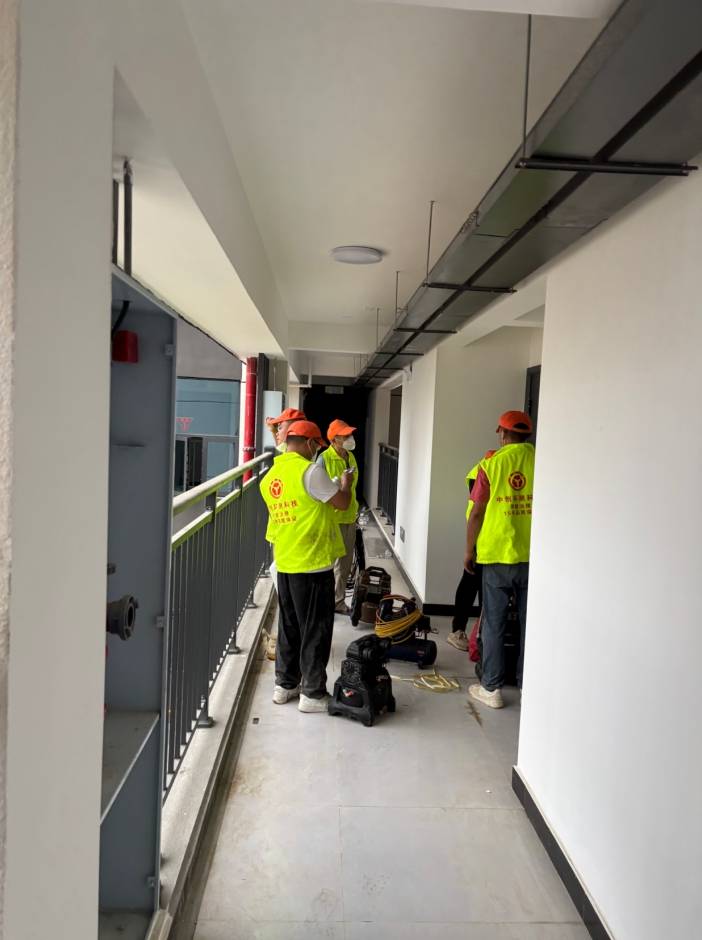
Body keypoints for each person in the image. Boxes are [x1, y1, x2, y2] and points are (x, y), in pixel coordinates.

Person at [260, 419, 354, 713]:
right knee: (315, 629)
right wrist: (345, 485)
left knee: (289, 626)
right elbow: (341, 503)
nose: (317, 451)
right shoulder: (311, 472)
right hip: (313, 564)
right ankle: (312, 693)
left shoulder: (271, 476)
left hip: (285, 561)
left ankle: (285, 685)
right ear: (311, 443)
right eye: (317, 445)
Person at [465, 411, 535, 709]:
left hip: (496, 556)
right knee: (531, 624)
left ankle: (491, 688)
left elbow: (477, 512)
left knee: (494, 623)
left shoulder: (490, 465)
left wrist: (469, 550)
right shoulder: (542, 461)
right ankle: (528, 685)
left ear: (503, 434)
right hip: (532, 556)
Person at [446, 449, 495, 651]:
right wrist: (470, 548)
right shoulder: (484, 470)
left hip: (494, 538)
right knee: (471, 583)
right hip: (483, 537)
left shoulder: (493, 465)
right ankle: (460, 631)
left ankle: (481, 636)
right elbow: (477, 512)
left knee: (479, 586)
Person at [320, 419, 359, 614]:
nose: (350, 438)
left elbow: (353, 487)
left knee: (344, 564)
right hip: (333, 519)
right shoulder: (323, 459)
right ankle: (329, 602)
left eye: (350, 434)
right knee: (331, 564)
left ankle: (338, 601)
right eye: (345, 436)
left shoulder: (350, 457)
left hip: (349, 517)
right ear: (334, 439)